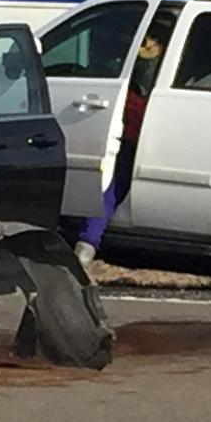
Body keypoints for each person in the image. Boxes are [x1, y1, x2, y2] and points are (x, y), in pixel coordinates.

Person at [74, 18, 174, 267]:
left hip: (128, 132)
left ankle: (87, 242)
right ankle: (87, 243)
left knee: (111, 187)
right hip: (135, 133)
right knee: (114, 187)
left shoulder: (129, 60)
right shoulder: (153, 60)